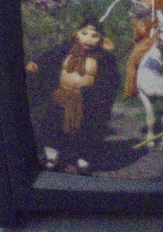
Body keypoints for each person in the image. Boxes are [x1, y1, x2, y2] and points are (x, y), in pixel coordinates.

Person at [26, 17, 120, 173]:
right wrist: (37, 64)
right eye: (84, 33)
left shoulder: (105, 58)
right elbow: (48, 59)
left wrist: (95, 93)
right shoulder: (64, 49)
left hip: (87, 101)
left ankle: (83, 157)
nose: (88, 39)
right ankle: (52, 154)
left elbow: (112, 81)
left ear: (101, 40)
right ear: (76, 34)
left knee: (86, 128)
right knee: (54, 124)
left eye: (94, 35)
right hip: (61, 95)